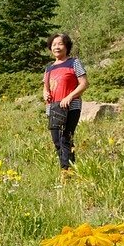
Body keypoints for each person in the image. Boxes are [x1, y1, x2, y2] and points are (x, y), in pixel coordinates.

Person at [43, 33, 88, 174]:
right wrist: (45, 93)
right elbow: (45, 87)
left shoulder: (74, 62)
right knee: (57, 140)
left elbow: (84, 84)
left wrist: (70, 96)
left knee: (65, 138)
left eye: (60, 43)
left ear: (67, 46)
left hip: (71, 107)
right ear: (50, 48)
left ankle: (66, 172)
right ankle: (68, 167)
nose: (56, 47)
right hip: (54, 108)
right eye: (54, 44)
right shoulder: (49, 68)